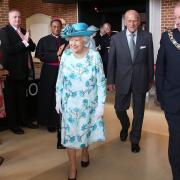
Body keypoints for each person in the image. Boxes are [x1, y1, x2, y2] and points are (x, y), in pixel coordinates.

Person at [56, 22, 106, 180]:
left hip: (89, 104)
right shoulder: (66, 55)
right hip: (70, 104)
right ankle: (72, 168)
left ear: (85, 39)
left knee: (86, 131)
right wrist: (58, 99)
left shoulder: (94, 56)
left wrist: (101, 105)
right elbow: (60, 80)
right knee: (70, 136)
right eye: (71, 39)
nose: (73, 43)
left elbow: (101, 82)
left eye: (77, 39)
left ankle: (85, 151)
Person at [107, 10, 154, 153]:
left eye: (135, 20)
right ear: (125, 22)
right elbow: (112, 62)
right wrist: (110, 80)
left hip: (141, 78)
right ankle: (125, 124)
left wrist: (150, 78)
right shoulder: (116, 38)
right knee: (119, 108)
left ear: (139, 21)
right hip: (122, 79)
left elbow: (150, 59)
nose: (132, 23)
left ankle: (135, 139)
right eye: (129, 20)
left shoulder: (147, 36)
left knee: (139, 112)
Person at [0, 9, 38, 134]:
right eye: (14, 17)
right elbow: (9, 50)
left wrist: (27, 39)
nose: (17, 19)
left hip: (23, 71)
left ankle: (24, 121)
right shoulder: (4, 31)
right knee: (11, 100)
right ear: (9, 19)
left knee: (22, 98)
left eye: (19, 17)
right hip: (10, 72)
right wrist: (24, 41)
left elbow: (33, 47)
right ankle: (13, 125)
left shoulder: (23, 31)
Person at [156, 3, 180, 180]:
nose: (177, 21)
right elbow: (160, 70)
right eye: (176, 17)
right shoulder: (167, 37)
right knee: (177, 142)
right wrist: (162, 97)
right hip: (174, 101)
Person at [35, 18, 67, 136]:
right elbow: (41, 56)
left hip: (62, 71)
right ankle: (49, 122)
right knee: (49, 95)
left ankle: (60, 120)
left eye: (59, 27)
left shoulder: (66, 41)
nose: (57, 29)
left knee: (61, 96)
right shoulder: (44, 40)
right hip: (49, 71)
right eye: (54, 26)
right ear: (51, 27)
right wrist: (56, 54)